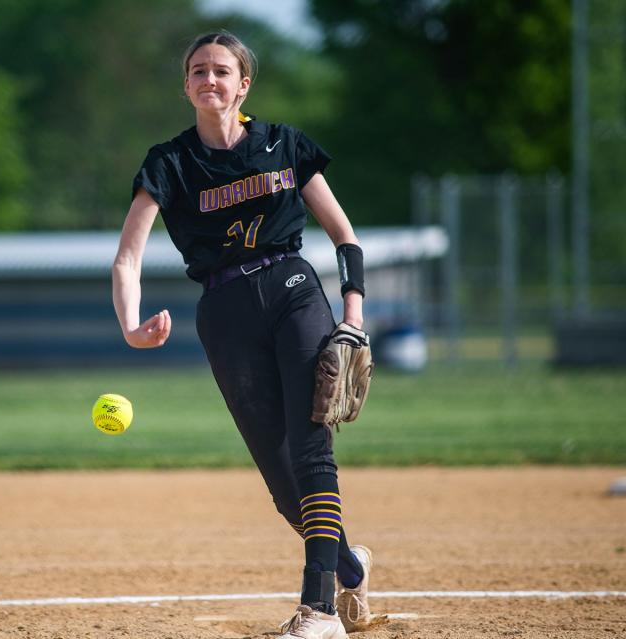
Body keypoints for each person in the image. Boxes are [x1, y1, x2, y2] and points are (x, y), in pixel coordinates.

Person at [111, 31, 385, 638]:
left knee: (312, 449)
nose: (210, 80)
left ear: (244, 85)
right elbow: (128, 257)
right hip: (224, 310)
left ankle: (317, 613)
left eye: (222, 71)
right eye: (198, 71)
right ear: (186, 86)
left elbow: (346, 237)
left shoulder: (284, 145)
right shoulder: (169, 162)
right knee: (285, 485)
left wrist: (353, 317)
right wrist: (131, 328)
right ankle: (348, 566)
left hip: (292, 289)